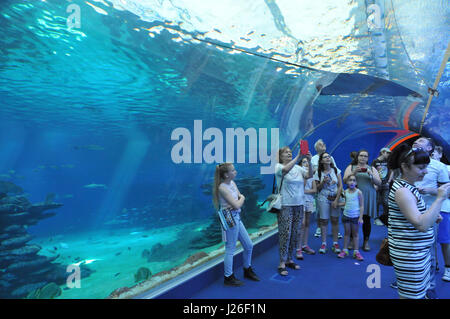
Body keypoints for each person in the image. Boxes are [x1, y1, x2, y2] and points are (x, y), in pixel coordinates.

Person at [387, 143, 450, 299]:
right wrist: (440, 198)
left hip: (416, 253)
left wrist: (432, 214)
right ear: (405, 167)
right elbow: (421, 224)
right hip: (410, 255)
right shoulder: (403, 191)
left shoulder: (409, 187)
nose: (425, 171)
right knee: (411, 296)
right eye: (421, 167)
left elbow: (416, 215)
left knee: (416, 294)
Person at [413, 138, 450, 296]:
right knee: (415, 245)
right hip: (414, 209)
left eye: (420, 141)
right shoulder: (409, 163)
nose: (416, 142)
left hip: (435, 210)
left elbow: (446, 191)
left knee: (439, 242)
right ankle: (413, 278)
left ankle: (433, 282)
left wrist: (429, 190)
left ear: (429, 148)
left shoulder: (439, 166)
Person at [213, 163, 259, 286]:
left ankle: (247, 269)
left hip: (236, 217)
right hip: (229, 219)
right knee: (230, 248)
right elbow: (239, 202)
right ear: (226, 174)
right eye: (233, 170)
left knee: (248, 245)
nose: (235, 172)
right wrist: (241, 199)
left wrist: (237, 201)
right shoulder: (222, 187)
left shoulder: (232, 183)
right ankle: (228, 277)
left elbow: (237, 200)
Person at [275, 145, 312, 275]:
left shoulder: (298, 168)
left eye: (290, 152)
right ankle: (281, 262)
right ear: (280, 156)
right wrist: (298, 156)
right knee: (285, 233)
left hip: (299, 204)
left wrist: (310, 161)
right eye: (286, 152)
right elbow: (285, 169)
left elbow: (309, 175)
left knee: (295, 233)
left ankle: (290, 259)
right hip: (285, 205)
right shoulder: (278, 167)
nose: (289, 153)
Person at [343, 150, 381, 251]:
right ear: (358, 157)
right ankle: (351, 240)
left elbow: (379, 183)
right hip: (354, 197)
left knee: (366, 219)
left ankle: (366, 241)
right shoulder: (351, 167)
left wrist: (371, 175)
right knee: (352, 218)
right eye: (361, 155)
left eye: (365, 156)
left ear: (368, 158)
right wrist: (354, 172)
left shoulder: (372, 168)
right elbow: (344, 180)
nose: (363, 158)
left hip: (368, 196)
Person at [314, 152, 343, 254]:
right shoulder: (318, 172)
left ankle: (335, 243)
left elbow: (340, 186)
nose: (328, 158)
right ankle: (324, 243)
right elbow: (317, 189)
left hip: (335, 197)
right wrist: (323, 182)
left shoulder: (336, 170)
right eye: (325, 157)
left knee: (335, 220)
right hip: (323, 197)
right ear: (321, 160)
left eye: (329, 156)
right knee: (324, 221)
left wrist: (336, 199)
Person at [310, 139, 339, 239]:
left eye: (324, 143)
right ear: (316, 148)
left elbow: (335, 170)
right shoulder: (313, 158)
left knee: (333, 209)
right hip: (320, 187)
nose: (323, 145)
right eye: (320, 144)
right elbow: (312, 171)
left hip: (332, 187)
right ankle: (319, 227)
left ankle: (334, 230)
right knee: (320, 209)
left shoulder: (331, 158)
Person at [337, 174, 364, 261]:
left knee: (355, 234)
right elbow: (346, 203)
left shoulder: (359, 192)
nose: (352, 182)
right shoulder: (345, 192)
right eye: (350, 180)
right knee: (346, 233)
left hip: (355, 217)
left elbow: (361, 206)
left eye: (354, 180)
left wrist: (360, 217)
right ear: (347, 182)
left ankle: (356, 252)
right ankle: (345, 250)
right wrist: (338, 204)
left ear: (356, 183)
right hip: (346, 215)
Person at [296, 156, 317, 259]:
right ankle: (298, 248)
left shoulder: (312, 175)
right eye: (303, 162)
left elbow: (314, 190)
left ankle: (305, 245)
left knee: (307, 223)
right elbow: (301, 188)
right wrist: (304, 191)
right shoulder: (299, 175)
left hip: (309, 200)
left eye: (307, 162)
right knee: (302, 223)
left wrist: (305, 191)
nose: (306, 164)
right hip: (301, 201)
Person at [372, 147, 393, 226]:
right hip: (377, 184)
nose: (388, 155)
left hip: (385, 183)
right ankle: (376, 218)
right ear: (383, 152)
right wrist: (374, 183)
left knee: (385, 201)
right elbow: (372, 172)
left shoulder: (388, 161)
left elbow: (392, 171)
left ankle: (386, 217)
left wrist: (389, 181)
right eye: (387, 153)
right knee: (376, 201)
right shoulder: (375, 161)